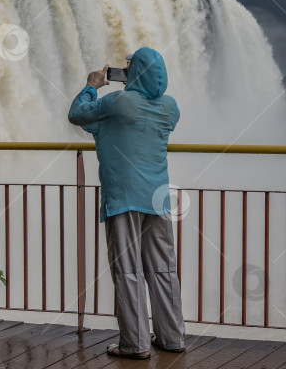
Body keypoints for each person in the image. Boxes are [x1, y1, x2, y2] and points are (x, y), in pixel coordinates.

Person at [67, 47, 184, 360]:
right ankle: (172, 338)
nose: (124, 71)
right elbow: (134, 122)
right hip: (158, 198)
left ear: (136, 74)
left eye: (128, 68)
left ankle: (135, 345)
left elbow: (78, 115)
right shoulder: (171, 107)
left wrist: (92, 85)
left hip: (124, 197)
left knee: (128, 270)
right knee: (163, 269)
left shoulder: (116, 102)